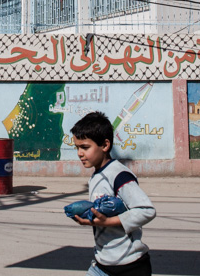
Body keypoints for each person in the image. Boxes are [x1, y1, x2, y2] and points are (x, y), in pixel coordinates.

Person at [70, 111, 156, 276]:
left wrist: (108, 221)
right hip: (102, 265)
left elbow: (146, 210)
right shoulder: (96, 176)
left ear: (105, 145)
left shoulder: (119, 175)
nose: (79, 153)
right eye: (77, 147)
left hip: (131, 266)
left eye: (85, 147)